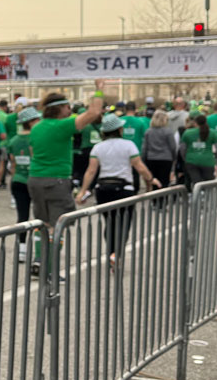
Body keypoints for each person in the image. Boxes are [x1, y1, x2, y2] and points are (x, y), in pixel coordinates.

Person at [76, 114, 159, 268]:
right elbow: (139, 166)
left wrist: (83, 191)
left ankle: (111, 252)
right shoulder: (128, 145)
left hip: (103, 189)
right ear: (119, 129)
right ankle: (117, 254)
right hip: (124, 189)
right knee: (124, 223)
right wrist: (150, 179)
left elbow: (91, 171)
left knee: (110, 222)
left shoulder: (98, 147)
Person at [28, 92, 104, 235]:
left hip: (35, 179)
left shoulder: (36, 127)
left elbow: (32, 152)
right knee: (57, 227)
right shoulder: (62, 125)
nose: (70, 111)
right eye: (67, 107)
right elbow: (94, 113)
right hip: (56, 181)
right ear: (59, 108)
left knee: (42, 223)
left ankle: (39, 256)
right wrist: (98, 90)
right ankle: (50, 257)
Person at [7, 107, 42, 262]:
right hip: (34, 180)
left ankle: (21, 250)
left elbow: (12, 164)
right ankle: (38, 251)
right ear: (32, 122)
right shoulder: (35, 139)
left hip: (17, 181)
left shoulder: (13, 140)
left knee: (22, 216)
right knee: (39, 217)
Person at [180, 114, 217, 187]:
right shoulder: (212, 133)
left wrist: (185, 158)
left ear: (195, 123)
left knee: (196, 183)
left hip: (191, 160)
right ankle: (208, 198)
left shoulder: (187, 133)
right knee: (208, 184)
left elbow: (182, 148)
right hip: (208, 161)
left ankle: (197, 197)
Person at [141, 109, 177, 188]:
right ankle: (163, 199)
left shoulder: (148, 132)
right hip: (166, 159)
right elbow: (173, 147)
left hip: (151, 159)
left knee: (154, 182)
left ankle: (155, 199)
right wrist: (174, 158)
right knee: (164, 182)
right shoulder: (168, 131)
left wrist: (143, 160)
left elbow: (144, 148)